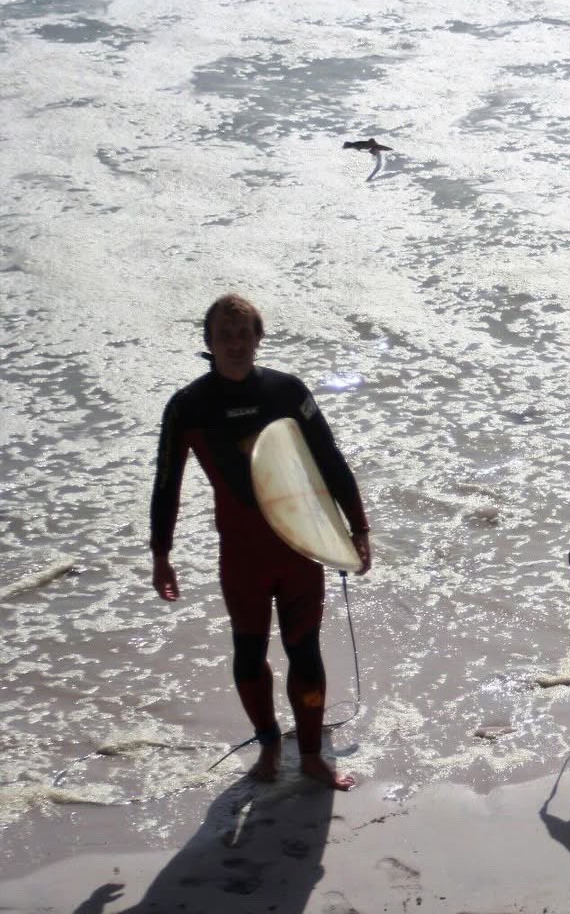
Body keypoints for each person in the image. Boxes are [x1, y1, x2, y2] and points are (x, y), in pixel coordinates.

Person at [149, 293, 372, 790]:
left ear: (258, 338)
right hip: (242, 556)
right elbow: (167, 483)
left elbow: (330, 461)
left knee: (305, 650)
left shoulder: (286, 392)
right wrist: (161, 555)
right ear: (208, 342)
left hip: (298, 549)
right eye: (224, 335)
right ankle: (269, 742)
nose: (235, 343)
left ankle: (312, 754)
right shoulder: (189, 407)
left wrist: (357, 530)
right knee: (249, 651)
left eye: (243, 333)